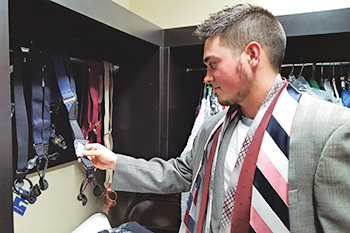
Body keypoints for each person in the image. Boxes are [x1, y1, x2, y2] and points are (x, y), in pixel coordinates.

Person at [83, 3, 350, 233]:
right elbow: (181, 173)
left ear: (252, 55)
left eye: (213, 64)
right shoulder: (214, 127)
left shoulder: (329, 129)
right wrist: (115, 162)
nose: (206, 77)